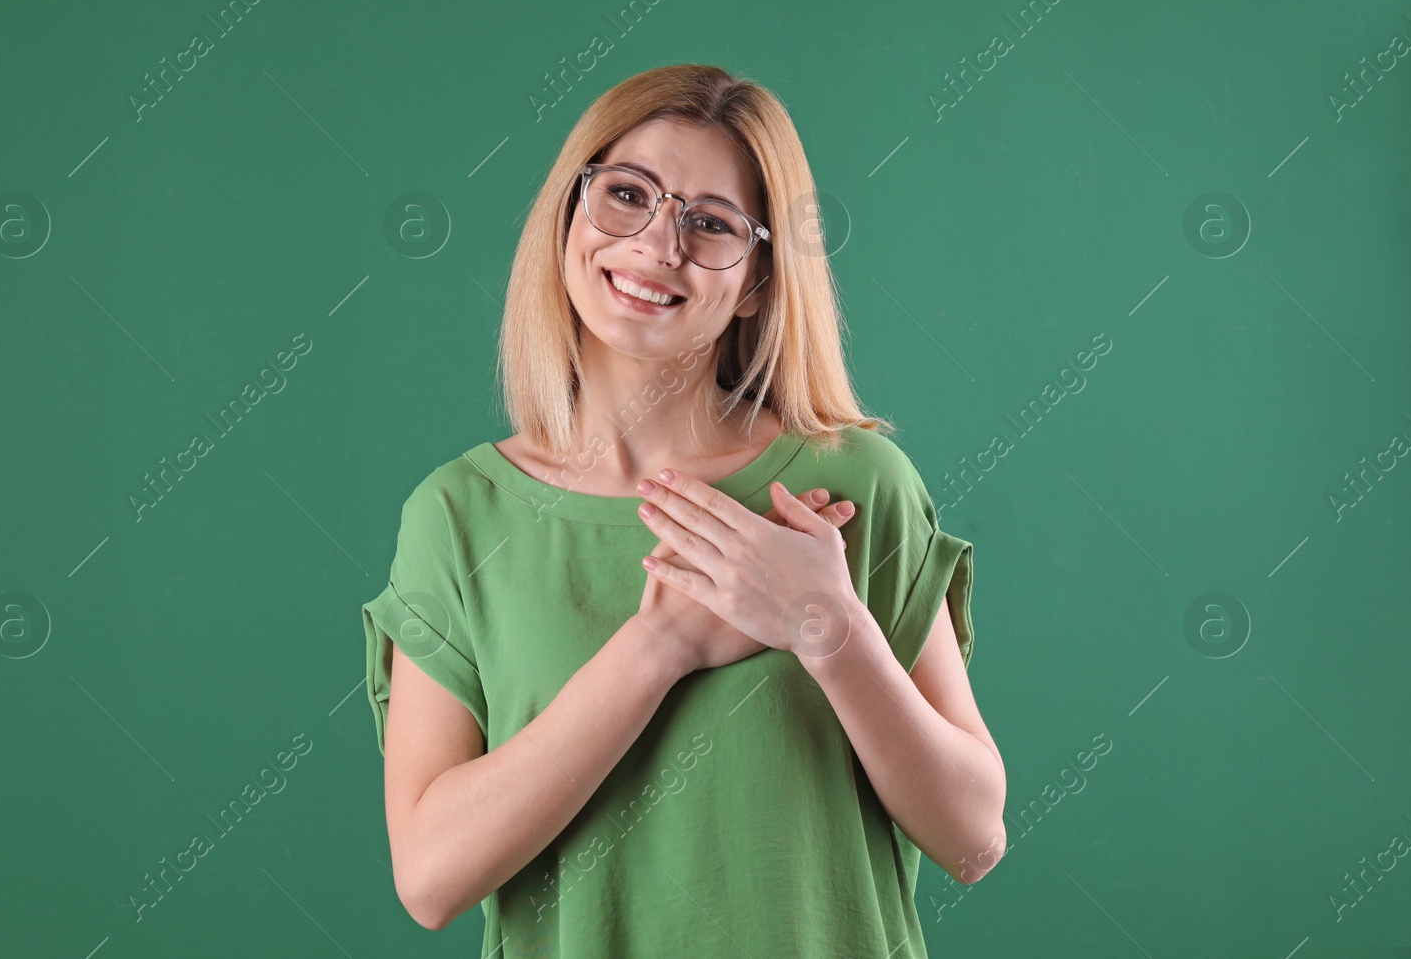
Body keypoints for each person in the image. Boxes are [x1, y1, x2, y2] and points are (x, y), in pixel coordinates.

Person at [362, 64, 1005, 957]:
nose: (661, 244)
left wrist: (825, 626)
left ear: (753, 281)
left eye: (710, 224)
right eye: (626, 195)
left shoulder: (859, 485)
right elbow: (430, 877)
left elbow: (975, 837)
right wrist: (659, 646)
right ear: (567, 219)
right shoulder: (459, 516)